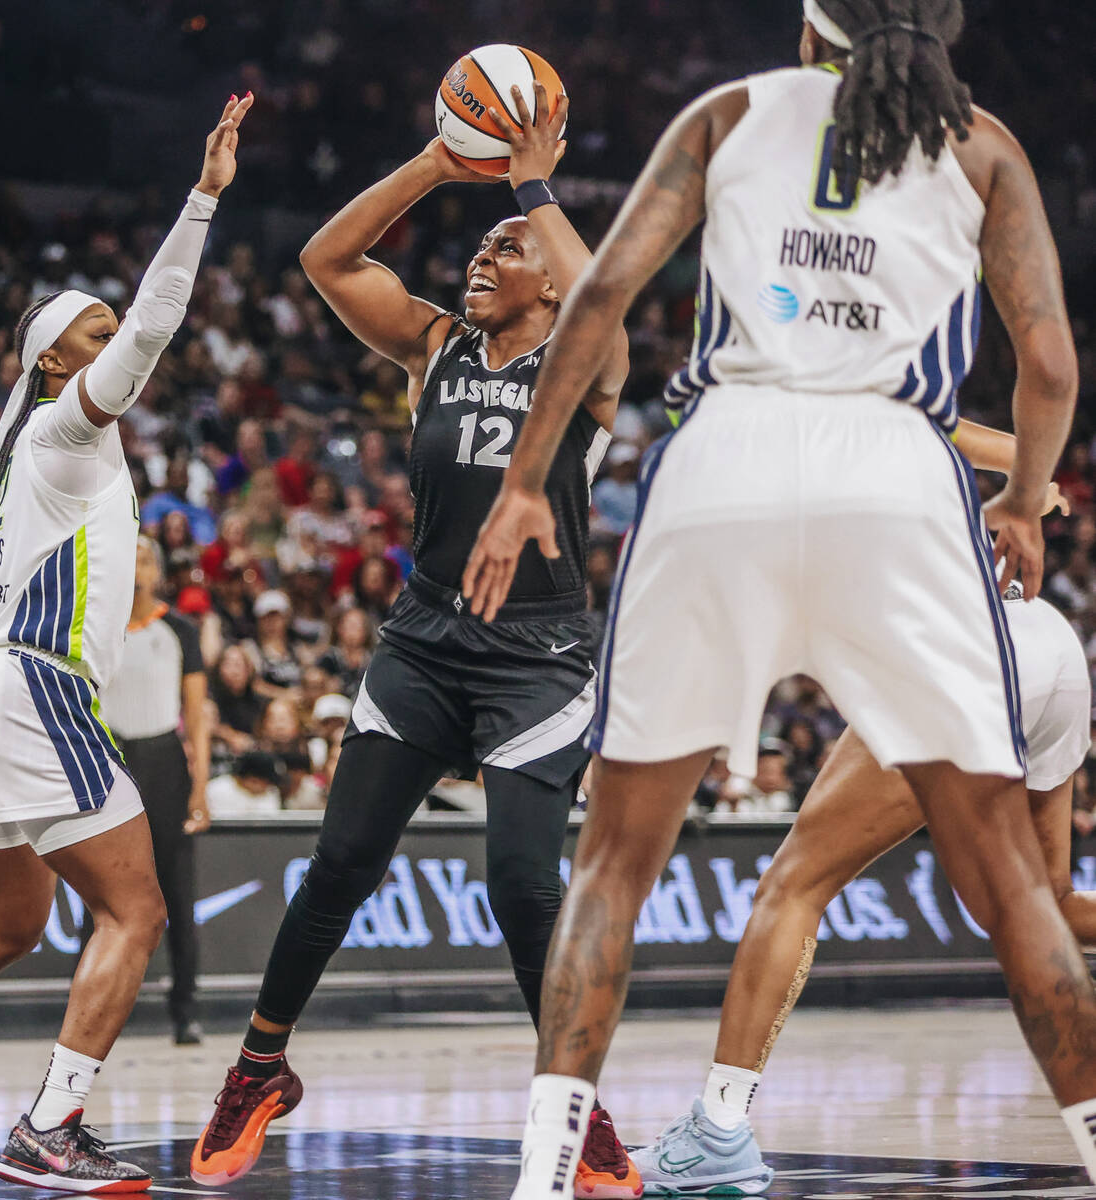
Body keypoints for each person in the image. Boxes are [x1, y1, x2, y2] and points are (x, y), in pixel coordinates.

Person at [463, 3, 1096, 1194]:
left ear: (812, 33)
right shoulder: (986, 147)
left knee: (610, 865)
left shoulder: (731, 112)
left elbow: (595, 300)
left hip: (726, 463)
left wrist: (521, 488)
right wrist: (1021, 500)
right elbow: (1050, 363)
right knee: (1014, 879)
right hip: (899, 479)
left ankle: (545, 1178)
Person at [190, 84, 638, 1199]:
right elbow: (326, 259)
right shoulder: (433, 347)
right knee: (341, 861)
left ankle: (572, 1105)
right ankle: (257, 1070)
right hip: (426, 638)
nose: (484, 259)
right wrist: (442, 163)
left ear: (547, 276)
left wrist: (533, 186)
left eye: (509, 249)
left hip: (537, 657)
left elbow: (602, 296)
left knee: (525, 888)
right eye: (480, 247)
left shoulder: (583, 364)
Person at [0, 94, 252, 1193]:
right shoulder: (60, 423)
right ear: (53, 364)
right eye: (90, 338)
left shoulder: (20, 430)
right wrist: (201, 200)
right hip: (27, 683)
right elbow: (151, 326)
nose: (115, 351)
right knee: (135, 907)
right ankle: (50, 1128)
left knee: (12, 922)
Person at [633, 579, 1092, 1194]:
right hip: (1047, 638)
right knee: (1047, 904)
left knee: (791, 887)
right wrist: (1030, 494)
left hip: (966, 649)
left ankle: (718, 1129)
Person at [99, 535, 211, 1047]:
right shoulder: (94, 628)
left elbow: (197, 713)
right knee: (100, 894)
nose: (137, 563)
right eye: (132, 554)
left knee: (176, 893)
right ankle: (95, 1008)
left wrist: (200, 787)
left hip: (165, 760)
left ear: (158, 570)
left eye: (146, 557)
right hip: (110, 758)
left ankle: (184, 1009)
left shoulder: (179, 630)